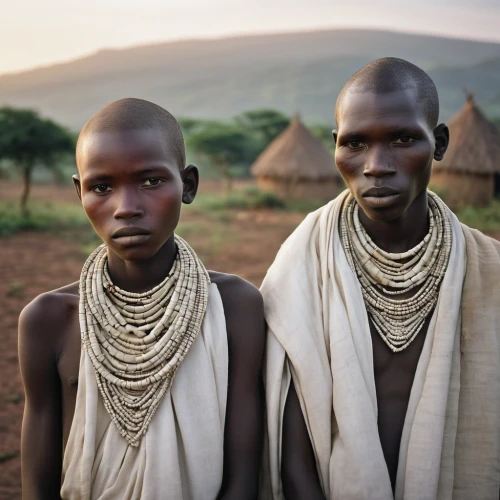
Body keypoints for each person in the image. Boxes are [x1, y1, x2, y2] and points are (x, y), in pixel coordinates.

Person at [261, 58, 500, 500]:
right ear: (335, 147)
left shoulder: (491, 273)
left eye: (403, 139)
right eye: (355, 144)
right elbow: (292, 458)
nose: (376, 165)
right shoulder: (301, 265)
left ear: (439, 143)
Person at [19, 98, 265, 499]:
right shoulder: (48, 320)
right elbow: (37, 488)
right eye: (102, 187)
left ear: (188, 185)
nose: (126, 208)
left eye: (151, 182)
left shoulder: (236, 307)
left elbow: (242, 479)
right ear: (79, 193)